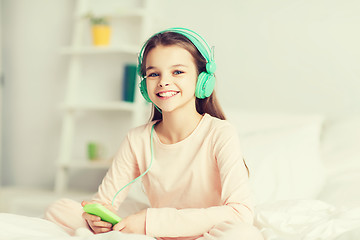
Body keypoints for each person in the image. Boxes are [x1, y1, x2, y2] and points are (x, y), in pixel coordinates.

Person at [45, 27, 264, 240]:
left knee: (245, 235)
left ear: (202, 79)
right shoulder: (137, 139)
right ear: (144, 86)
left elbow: (240, 213)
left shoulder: (220, 133)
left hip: (206, 233)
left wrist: (151, 221)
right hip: (155, 233)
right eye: (153, 74)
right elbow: (104, 202)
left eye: (177, 71)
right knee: (61, 209)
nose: (164, 81)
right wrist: (97, 219)